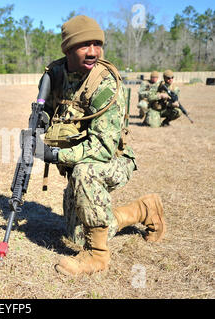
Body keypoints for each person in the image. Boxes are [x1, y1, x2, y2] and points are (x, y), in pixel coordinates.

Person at [34, 15, 166, 276]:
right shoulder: (56, 74)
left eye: (98, 44)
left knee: (86, 171)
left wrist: (53, 154)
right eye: (85, 45)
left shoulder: (105, 83)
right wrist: (37, 127)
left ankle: (97, 257)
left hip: (110, 161)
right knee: (76, 234)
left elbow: (102, 149)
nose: (93, 51)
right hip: (78, 162)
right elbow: (47, 109)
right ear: (68, 49)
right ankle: (144, 210)